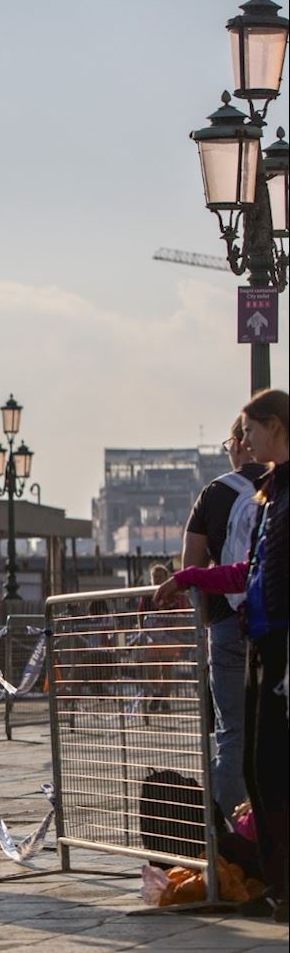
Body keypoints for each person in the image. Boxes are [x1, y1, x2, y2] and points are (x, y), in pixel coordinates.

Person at [154, 388, 287, 921]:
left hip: (281, 643)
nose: (244, 441)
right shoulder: (267, 495)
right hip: (260, 641)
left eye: (250, 430)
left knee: (267, 762)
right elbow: (246, 572)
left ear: (275, 426)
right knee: (258, 763)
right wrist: (189, 577)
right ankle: (275, 878)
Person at [182, 418, 266, 819]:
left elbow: (191, 565)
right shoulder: (281, 487)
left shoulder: (213, 494)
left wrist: (204, 626)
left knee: (232, 732)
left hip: (226, 620)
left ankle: (226, 831)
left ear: (239, 442)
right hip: (274, 621)